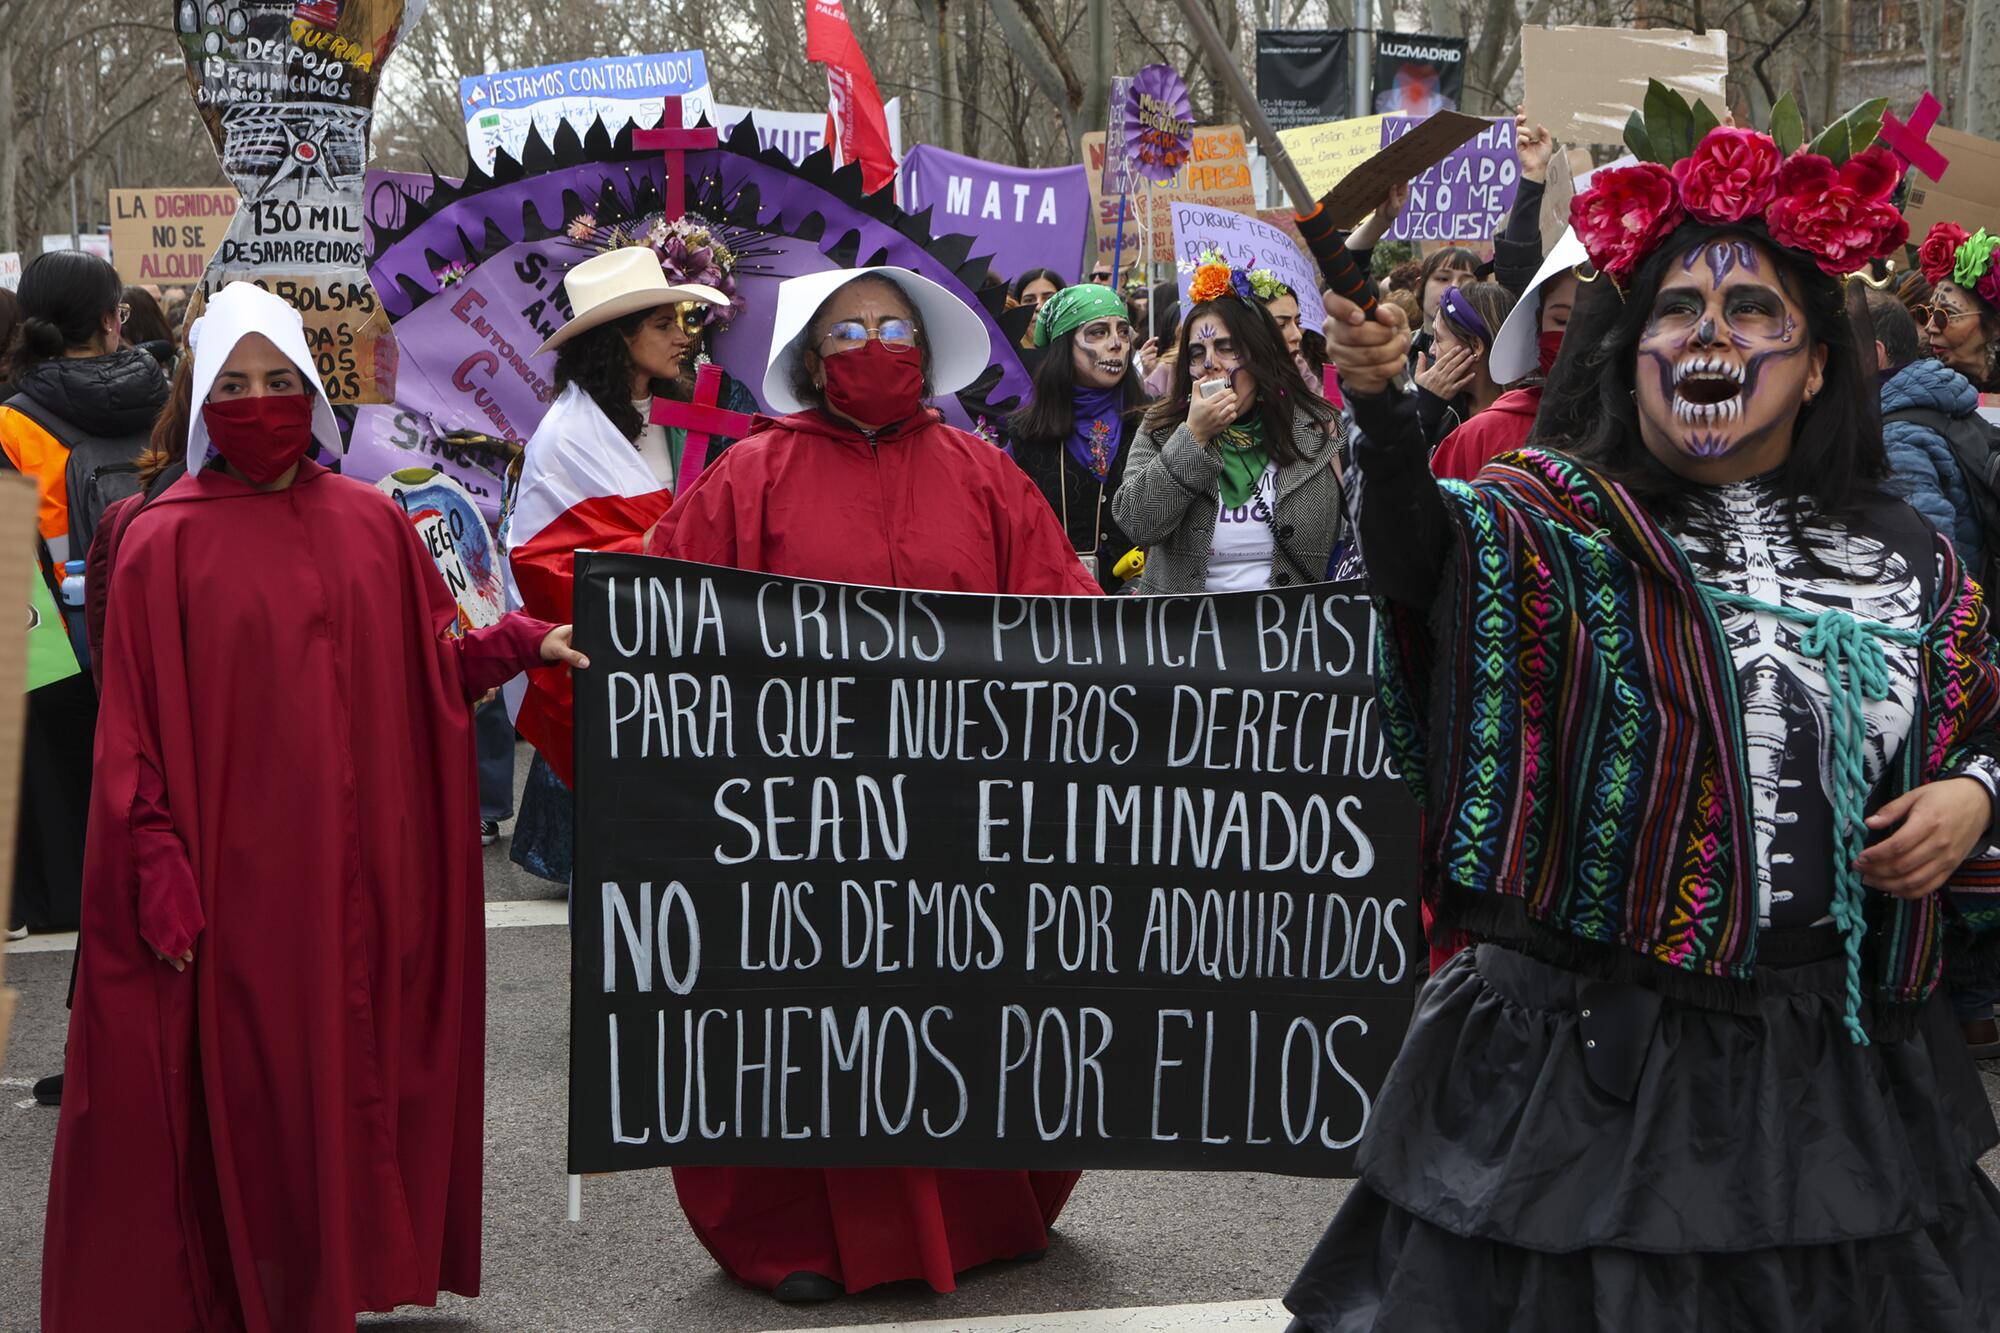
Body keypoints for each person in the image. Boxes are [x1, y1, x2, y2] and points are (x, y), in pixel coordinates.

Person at [1286, 119, 2000, 1330]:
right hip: (1583, 1062)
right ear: (1626, 357)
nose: (1708, 332)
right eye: (1674, 309)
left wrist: (1973, 791)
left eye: (1750, 310)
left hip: (1833, 1061)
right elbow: (1417, 566)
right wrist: (1378, 406)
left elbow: (1985, 710)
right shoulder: (1545, 521)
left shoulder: (1903, 554)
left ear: (1816, 361)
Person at [41, 281, 584, 1332]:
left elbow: (429, 671)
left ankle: (327, 1281)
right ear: (200, 401)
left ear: (312, 393)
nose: (260, 402)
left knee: (341, 1081)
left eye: (280, 381)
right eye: (235, 384)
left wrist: (519, 642)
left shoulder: (370, 526)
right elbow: (133, 730)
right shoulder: (160, 541)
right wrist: (154, 857)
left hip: (353, 880)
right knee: (248, 1098)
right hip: (231, 884)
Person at [651, 264, 1096, 1304]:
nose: (873, 342)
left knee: (958, 1008)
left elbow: (1062, 608)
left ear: (926, 347)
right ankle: (794, 1225)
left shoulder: (984, 475)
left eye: (891, 324)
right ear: (811, 357)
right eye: (847, 329)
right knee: (808, 1022)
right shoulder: (747, 476)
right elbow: (667, 616)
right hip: (799, 824)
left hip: (957, 810)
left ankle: (978, 1210)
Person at [502, 243, 730, 883]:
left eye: (681, 320)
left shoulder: (676, 413)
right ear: (615, 337)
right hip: (621, 670)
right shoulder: (568, 436)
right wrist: (664, 541)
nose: (682, 337)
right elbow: (548, 568)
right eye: (662, 324)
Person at [0, 251, 166, 941]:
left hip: (57, 648)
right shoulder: (169, 396)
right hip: (162, 623)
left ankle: (71, 895)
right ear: (110, 321)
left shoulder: (12, 423)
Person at [1113, 257, 1344, 595]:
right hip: (1188, 636)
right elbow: (1137, 523)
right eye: (1196, 352)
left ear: (1260, 355)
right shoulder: (1162, 427)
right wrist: (1193, 438)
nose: (1209, 364)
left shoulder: (1318, 426)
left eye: (1226, 348)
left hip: (1290, 634)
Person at [1006, 283, 1148, 590]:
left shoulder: (1154, 424)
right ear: (1064, 346)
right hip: (1055, 608)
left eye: (1123, 332)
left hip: (1142, 612)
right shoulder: (1024, 435)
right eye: (1098, 332)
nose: (1116, 344)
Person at [1430, 234, 1582, 482]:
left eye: (1438, 339)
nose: (1432, 351)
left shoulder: (1641, 422)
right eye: (1561, 321)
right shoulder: (1466, 433)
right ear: (1539, 322)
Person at [1412, 279, 1517, 449]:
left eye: (1438, 339)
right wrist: (1423, 408)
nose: (1431, 350)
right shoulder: (1443, 409)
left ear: (1476, 345)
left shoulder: (1525, 417)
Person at [1915, 221, 2000, 391]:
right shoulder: (1918, 382)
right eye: (1927, 313)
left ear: (1994, 326)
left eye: (1945, 315)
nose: (1930, 327)